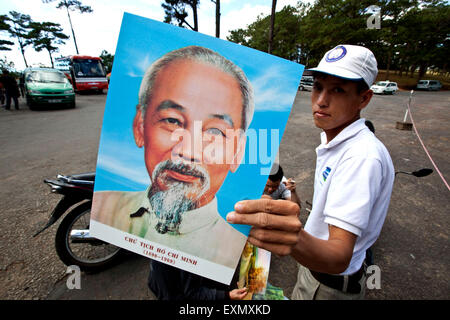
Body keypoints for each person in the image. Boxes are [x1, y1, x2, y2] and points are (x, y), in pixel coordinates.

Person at [227, 44, 394, 300]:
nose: (321, 100)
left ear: (364, 98)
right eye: (318, 86)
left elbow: (339, 256)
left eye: (338, 90)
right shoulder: (339, 142)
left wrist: (290, 237)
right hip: (315, 270)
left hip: (328, 285)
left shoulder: (361, 156)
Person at [91, 45, 255, 270]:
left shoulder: (243, 253)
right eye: (172, 121)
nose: (188, 152)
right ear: (140, 127)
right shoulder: (102, 209)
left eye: (215, 132)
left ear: (238, 152)